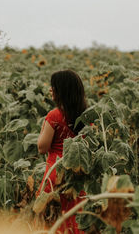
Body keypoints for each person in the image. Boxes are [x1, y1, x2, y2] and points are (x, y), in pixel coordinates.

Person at [37, 70, 87, 233]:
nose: (50, 89)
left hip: (55, 174)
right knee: (74, 220)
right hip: (77, 176)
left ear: (62, 90)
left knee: (51, 220)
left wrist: (43, 127)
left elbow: (42, 147)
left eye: (54, 86)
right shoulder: (87, 117)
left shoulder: (54, 115)